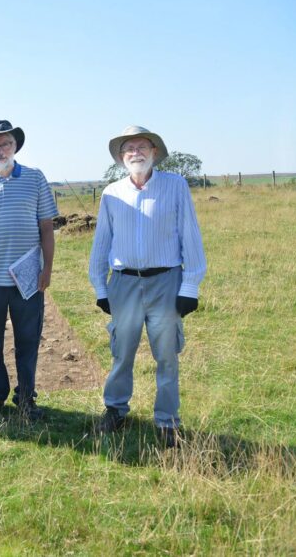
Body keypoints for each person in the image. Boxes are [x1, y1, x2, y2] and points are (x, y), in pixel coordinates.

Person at [89, 126, 206, 447]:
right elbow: (102, 242)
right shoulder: (112, 193)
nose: (136, 152)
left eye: (142, 146)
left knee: (167, 355)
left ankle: (168, 421)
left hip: (167, 281)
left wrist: (190, 286)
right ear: (121, 157)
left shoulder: (175, 186)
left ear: (154, 153)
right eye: (129, 148)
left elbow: (189, 235)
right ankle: (115, 409)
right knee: (121, 352)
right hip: (124, 283)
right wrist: (100, 287)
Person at [0, 120, 59, 422]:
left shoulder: (35, 178)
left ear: (15, 146)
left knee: (27, 341)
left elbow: (46, 227)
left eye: (5, 144)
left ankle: (26, 399)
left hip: (28, 279)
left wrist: (47, 269)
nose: (0, 150)